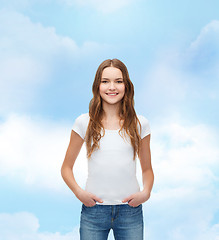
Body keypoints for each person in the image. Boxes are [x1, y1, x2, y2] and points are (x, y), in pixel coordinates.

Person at [61, 58, 154, 240]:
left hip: (130, 212)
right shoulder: (84, 122)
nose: (112, 87)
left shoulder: (140, 123)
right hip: (93, 212)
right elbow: (66, 168)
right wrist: (79, 193)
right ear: (97, 86)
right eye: (105, 81)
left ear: (126, 85)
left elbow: (147, 169)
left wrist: (146, 193)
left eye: (118, 81)